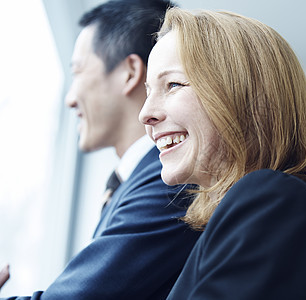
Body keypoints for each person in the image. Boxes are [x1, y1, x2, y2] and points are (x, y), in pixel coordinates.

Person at [139, 8, 306, 299]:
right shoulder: (266, 211)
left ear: (243, 97)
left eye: (173, 84)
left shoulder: (273, 202)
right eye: (148, 92)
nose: (145, 114)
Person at [1, 1, 200, 299]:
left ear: (129, 73)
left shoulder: (170, 178)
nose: (70, 98)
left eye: (78, 72)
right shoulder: (142, 179)